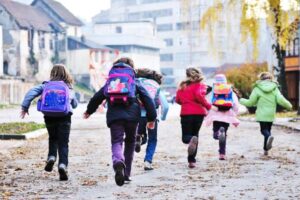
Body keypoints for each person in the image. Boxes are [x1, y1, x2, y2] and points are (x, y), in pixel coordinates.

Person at [83, 57, 157, 186]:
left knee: (117, 141)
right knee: (130, 142)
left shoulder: (110, 81)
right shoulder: (135, 81)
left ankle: (118, 161)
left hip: (115, 115)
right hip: (133, 116)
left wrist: (89, 111)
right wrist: (151, 118)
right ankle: (127, 174)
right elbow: (148, 99)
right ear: (131, 68)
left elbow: (98, 96)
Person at [20, 64, 78, 181]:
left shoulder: (45, 85)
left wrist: (25, 107)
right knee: (63, 142)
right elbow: (75, 104)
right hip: (65, 117)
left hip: (49, 116)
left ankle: (51, 157)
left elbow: (31, 93)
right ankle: (62, 165)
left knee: (53, 138)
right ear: (65, 74)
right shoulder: (68, 87)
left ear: (52, 73)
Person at [240, 72, 292, 155]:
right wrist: (289, 106)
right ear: (271, 78)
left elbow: (251, 102)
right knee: (268, 130)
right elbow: (281, 99)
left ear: (261, 79)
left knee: (263, 130)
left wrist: (241, 100)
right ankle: (266, 150)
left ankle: (268, 139)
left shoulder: (257, 88)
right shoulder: (274, 88)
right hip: (270, 114)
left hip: (262, 114)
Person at [176, 67, 212, 168]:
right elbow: (199, 96)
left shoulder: (182, 86)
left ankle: (191, 139)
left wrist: (185, 101)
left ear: (186, 75)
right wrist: (208, 106)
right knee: (195, 136)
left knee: (186, 137)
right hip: (199, 114)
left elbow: (178, 100)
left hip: (186, 113)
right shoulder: (201, 85)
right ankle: (191, 161)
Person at [134, 68, 169, 170]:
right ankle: (147, 162)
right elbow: (165, 106)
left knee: (139, 134)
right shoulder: (155, 86)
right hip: (152, 117)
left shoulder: (137, 82)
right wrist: (162, 117)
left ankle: (138, 139)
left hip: (137, 116)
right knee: (152, 139)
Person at [204, 74, 240, 160]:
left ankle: (218, 133)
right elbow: (235, 104)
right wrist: (235, 112)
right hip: (227, 114)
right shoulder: (229, 90)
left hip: (215, 114)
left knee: (216, 134)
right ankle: (222, 154)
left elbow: (207, 102)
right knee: (224, 134)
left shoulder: (213, 90)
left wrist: (206, 113)